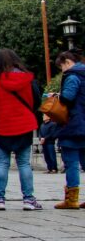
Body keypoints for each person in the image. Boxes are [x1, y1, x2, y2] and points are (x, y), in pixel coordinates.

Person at [0, 48, 42, 211]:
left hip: (2, 126)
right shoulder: (28, 80)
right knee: (23, 163)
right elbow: (37, 101)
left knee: (2, 162)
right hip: (24, 125)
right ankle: (28, 200)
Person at [54, 51, 85, 209]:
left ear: (66, 62)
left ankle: (71, 199)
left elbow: (68, 98)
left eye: (61, 67)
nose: (62, 70)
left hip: (74, 125)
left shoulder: (73, 76)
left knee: (72, 163)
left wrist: (56, 96)